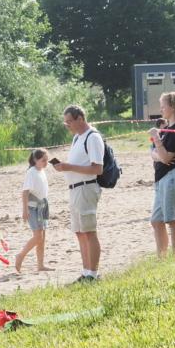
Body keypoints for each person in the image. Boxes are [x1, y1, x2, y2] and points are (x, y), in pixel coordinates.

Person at [52, 105, 104, 283]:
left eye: (69, 122)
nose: (67, 126)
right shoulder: (77, 138)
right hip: (74, 188)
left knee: (89, 231)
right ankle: (86, 271)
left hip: (86, 187)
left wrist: (68, 167)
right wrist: (65, 167)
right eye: (65, 122)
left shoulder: (93, 137)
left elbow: (97, 168)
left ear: (80, 119)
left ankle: (93, 274)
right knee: (80, 232)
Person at [149, 93, 175, 255]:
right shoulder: (168, 129)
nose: (161, 108)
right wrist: (159, 153)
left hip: (174, 177)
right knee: (156, 220)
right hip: (163, 179)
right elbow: (155, 155)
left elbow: (166, 157)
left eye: (163, 105)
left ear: (172, 107)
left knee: (173, 220)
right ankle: (162, 257)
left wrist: (156, 139)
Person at [15, 148, 55, 273]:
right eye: (43, 160)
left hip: (42, 206)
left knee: (42, 237)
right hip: (33, 208)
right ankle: (20, 255)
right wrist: (25, 210)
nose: (46, 163)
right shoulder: (31, 172)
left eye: (47, 160)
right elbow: (25, 192)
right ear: (35, 160)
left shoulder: (41, 171)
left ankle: (40, 265)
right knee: (38, 237)